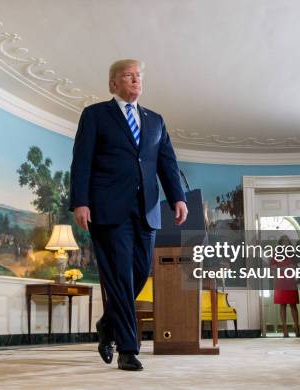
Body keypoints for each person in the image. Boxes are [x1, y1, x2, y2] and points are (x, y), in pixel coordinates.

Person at [69, 59, 187, 371]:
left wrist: (178, 197)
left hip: (146, 210)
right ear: (113, 83)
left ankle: (107, 325)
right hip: (109, 209)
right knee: (120, 275)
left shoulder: (155, 120)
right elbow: (81, 160)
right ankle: (127, 348)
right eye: (128, 76)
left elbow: (167, 162)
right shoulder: (95, 115)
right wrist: (80, 201)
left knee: (138, 272)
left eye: (139, 76)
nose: (135, 80)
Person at [270, 235, 300, 337]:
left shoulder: (292, 253)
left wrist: (292, 268)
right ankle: (285, 330)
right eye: (283, 241)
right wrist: (283, 269)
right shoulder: (276, 253)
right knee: (282, 305)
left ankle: (297, 328)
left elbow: (295, 265)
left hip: (291, 281)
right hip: (280, 281)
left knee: (293, 305)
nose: (285, 243)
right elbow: (272, 266)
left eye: (287, 241)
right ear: (280, 243)